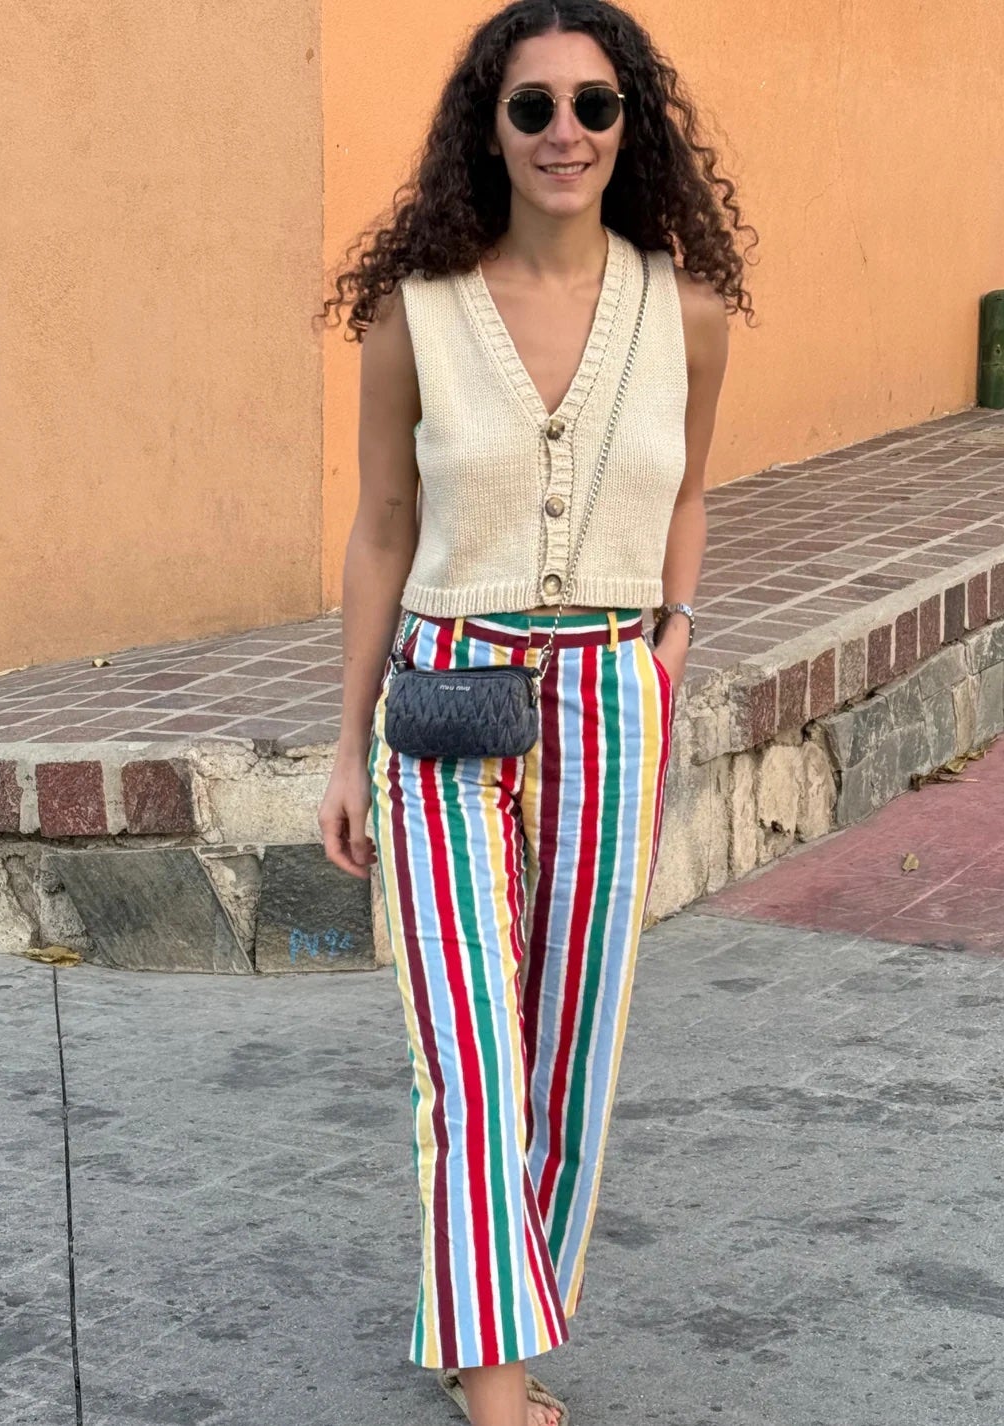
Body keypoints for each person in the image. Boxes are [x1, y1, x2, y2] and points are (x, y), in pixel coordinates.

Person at [317, 3, 752, 1422]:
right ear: (487, 130)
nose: (565, 131)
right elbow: (383, 525)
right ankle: (497, 1384)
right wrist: (345, 743)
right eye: (532, 107)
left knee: (573, 1047)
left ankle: (482, 1320)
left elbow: (687, 494)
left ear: (632, 126)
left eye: (594, 104)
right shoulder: (419, 313)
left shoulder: (686, 314)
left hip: (615, 695)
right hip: (447, 694)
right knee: (469, 1052)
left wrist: (672, 636)